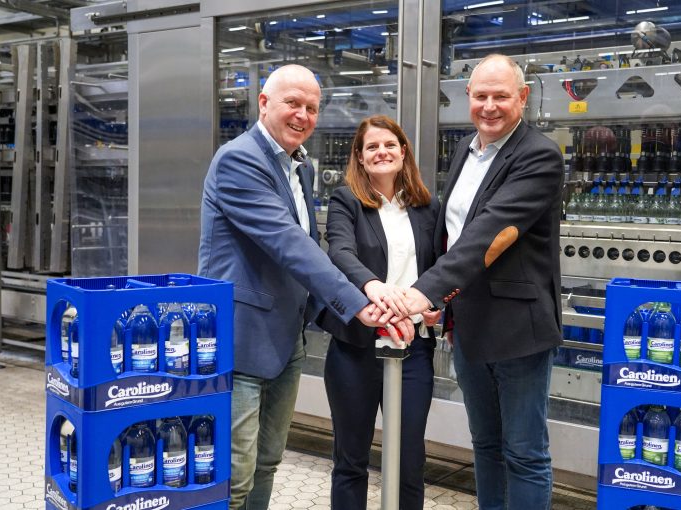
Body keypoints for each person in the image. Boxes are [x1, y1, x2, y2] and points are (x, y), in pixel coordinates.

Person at [198, 65, 411, 510]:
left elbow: (309, 245)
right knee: (233, 474)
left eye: (312, 108)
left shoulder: (299, 167)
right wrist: (357, 302)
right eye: (292, 103)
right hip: (242, 340)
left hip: (285, 340)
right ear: (263, 103)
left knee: (268, 461)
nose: (303, 115)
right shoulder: (239, 159)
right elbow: (289, 244)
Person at [403, 54, 564, 509]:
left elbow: (488, 232)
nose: (489, 106)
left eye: (501, 96)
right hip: (468, 324)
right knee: (487, 446)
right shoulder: (466, 149)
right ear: (467, 97)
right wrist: (441, 297)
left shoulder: (538, 155)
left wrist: (424, 291)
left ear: (523, 98)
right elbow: (452, 232)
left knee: (525, 452)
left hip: (517, 329)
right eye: (480, 96)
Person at [318, 115, 441, 510]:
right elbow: (340, 253)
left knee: (410, 460)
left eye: (390, 144)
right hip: (356, 348)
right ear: (360, 156)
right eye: (372, 146)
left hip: (413, 349)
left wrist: (438, 303)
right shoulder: (346, 201)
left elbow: (440, 265)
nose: (382, 152)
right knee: (351, 459)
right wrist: (377, 289)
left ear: (403, 152)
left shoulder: (426, 205)